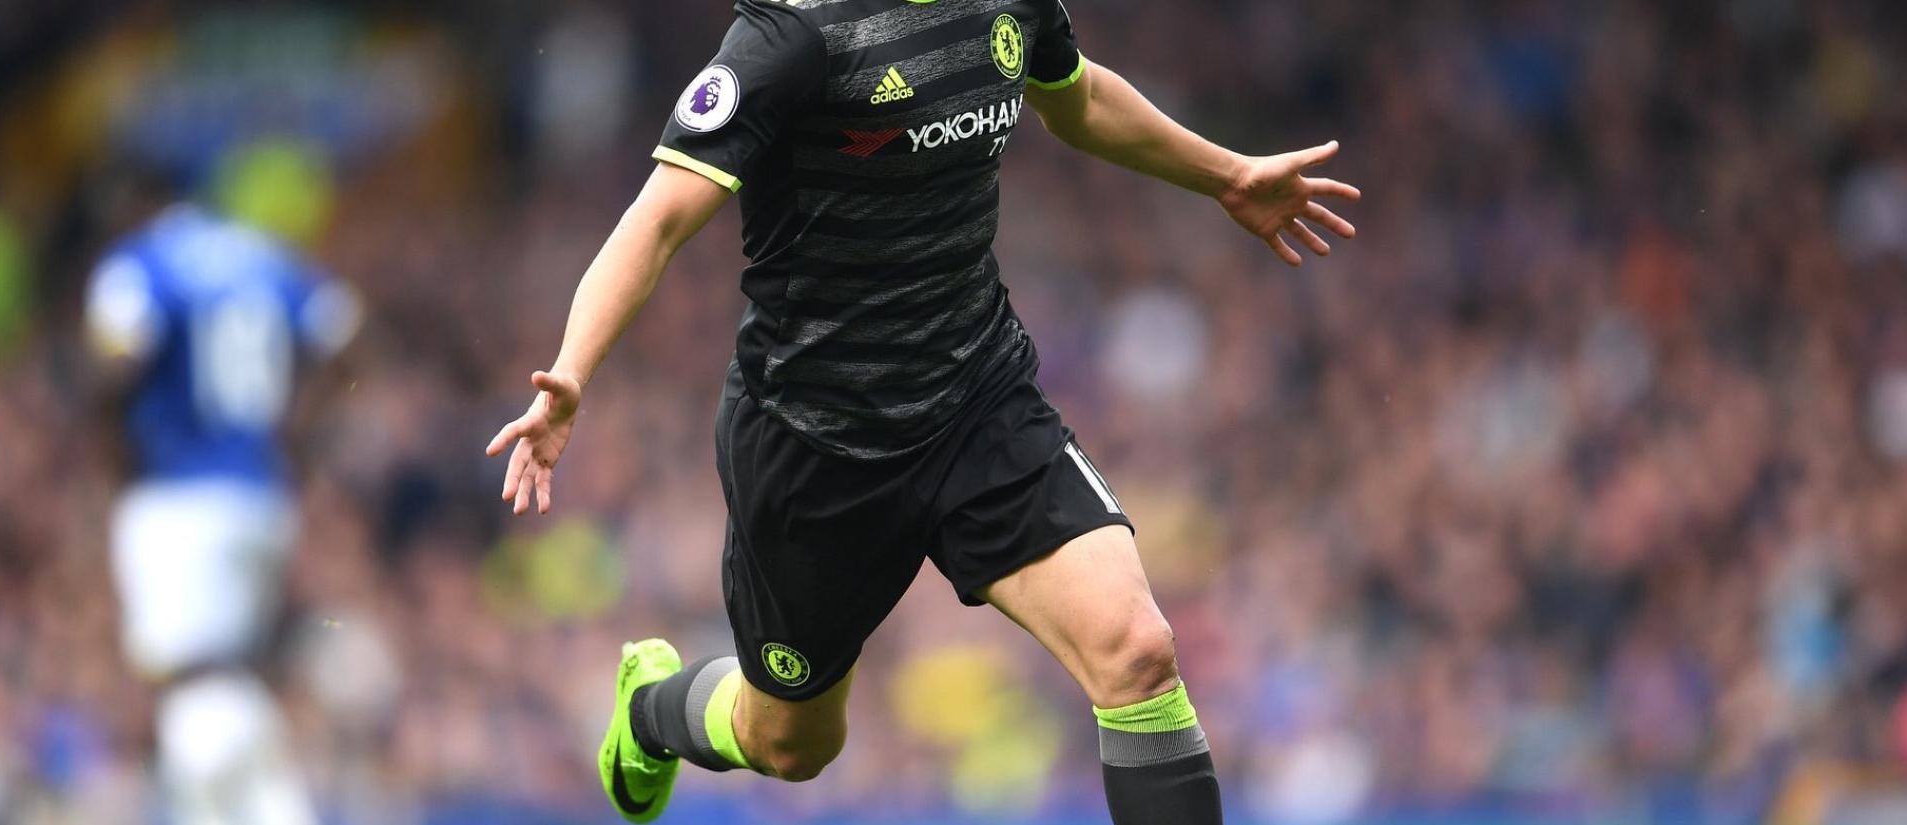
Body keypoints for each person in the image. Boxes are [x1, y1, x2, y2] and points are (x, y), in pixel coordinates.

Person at [483, 1, 1358, 821]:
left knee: (1136, 650)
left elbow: (1077, 95)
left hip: (978, 399)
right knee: (790, 744)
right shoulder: (794, 35)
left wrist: (1228, 175)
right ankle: (651, 710)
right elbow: (661, 217)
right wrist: (571, 374)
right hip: (815, 443)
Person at [85, 146, 357, 825]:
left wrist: (110, 438)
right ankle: (276, 807)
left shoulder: (140, 262)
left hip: (177, 493)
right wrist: (302, 431)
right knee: (229, 672)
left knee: (187, 678)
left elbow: (119, 353)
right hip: (261, 493)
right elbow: (347, 331)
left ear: (132, 203)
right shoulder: (259, 254)